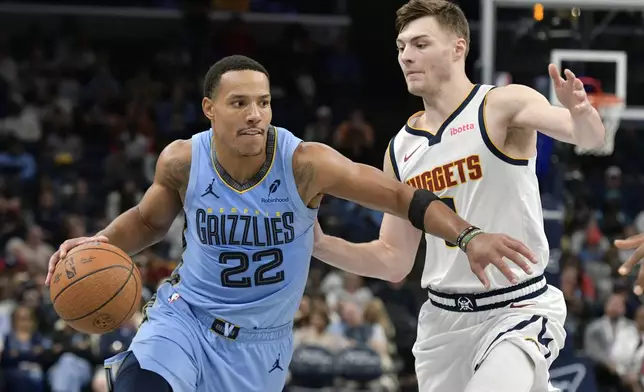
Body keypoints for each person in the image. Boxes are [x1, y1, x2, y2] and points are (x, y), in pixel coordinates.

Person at [44, 55, 535, 392]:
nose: (256, 114)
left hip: (262, 345)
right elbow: (148, 222)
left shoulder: (305, 164)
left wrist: (466, 234)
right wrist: (100, 242)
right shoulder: (181, 161)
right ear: (209, 110)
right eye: (240, 103)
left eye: (264, 102)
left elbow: (399, 196)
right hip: (185, 317)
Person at [312, 1, 607, 391]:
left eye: (420, 44)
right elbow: (393, 259)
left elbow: (588, 138)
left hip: (515, 308)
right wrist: (318, 243)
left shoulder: (501, 105)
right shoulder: (399, 149)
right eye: (401, 46)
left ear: (458, 47)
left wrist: (583, 112)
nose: (406, 56)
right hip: (442, 323)